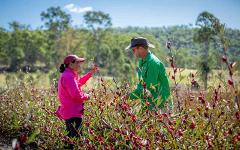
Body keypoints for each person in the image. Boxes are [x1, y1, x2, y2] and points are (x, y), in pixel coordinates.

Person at [56, 54, 98, 149]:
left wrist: (91, 73)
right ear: (71, 64)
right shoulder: (69, 77)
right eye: (78, 62)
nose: (80, 64)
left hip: (70, 112)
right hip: (73, 113)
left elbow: (78, 83)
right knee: (76, 141)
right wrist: (87, 96)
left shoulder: (69, 74)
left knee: (71, 140)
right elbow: (76, 95)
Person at [125, 37, 173, 112]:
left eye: (133, 50)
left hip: (161, 107)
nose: (133, 52)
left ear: (141, 48)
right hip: (150, 105)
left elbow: (148, 88)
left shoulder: (152, 63)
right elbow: (141, 86)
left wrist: (128, 97)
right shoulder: (142, 62)